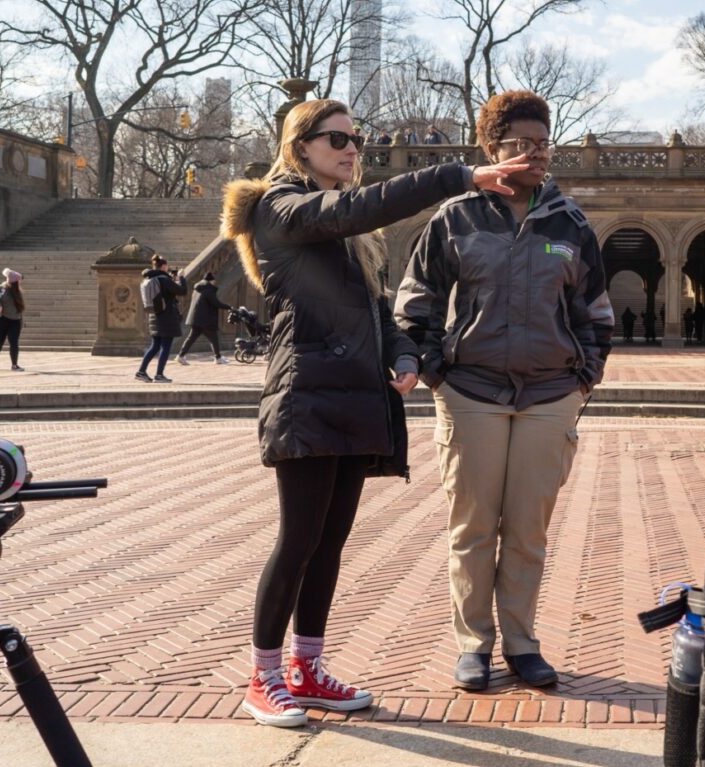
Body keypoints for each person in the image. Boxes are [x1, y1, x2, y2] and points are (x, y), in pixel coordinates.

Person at [220, 98, 530, 727]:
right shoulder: (281, 207)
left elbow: (375, 310)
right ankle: (264, 677)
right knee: (297, 541)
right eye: (337, 139)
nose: (351, 148)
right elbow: (360, 205)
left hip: (355, 396)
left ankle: (307, 670)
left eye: (356, 138)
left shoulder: (350, 239)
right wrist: (456, 176)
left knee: (330, 544)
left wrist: (405, 353)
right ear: (300, 145)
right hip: (306, 394)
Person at [396, 90, 613, 692]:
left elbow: (594, 309)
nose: (537, 154)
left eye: (544, 142)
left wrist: (582, 380)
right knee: (472, 528)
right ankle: (473, 645)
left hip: (549, 396)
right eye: (522, 144)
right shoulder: (456, 218)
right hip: (472, 393)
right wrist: (437, 371)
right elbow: (417, 303)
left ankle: (521, 643)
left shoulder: (569, 223)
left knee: (527, 531)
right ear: (493, 150)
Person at [136, 255, 187, 383]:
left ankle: (141, 372)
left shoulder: (150, 279)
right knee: (165, 346)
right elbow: (182, 291)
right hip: (167, 317)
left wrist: (172, 280)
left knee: (154, 346)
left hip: (154, 315)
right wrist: (181, 278)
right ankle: (159, 375)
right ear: (164, 266)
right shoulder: (164, 279)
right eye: (167, 267)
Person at [178, 271, 233, 365]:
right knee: (214, 338)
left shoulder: (198, 288)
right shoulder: (209, 289)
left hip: (196, 318)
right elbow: (216, 303)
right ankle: (218, 358)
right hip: (206, 320)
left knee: (191, 338)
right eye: (214, 281)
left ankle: (181, 355)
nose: (215, 282)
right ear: (211, 281)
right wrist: (229, 307)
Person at [0, 268, 26, 371]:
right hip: (0, 319)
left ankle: (14, 365)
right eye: (19, 280)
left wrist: (21, 320)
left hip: (15, 320)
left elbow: (19, 308)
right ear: (14, 281)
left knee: (14, 342)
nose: (21, 281)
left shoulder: (17, 290)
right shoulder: (0, 289)